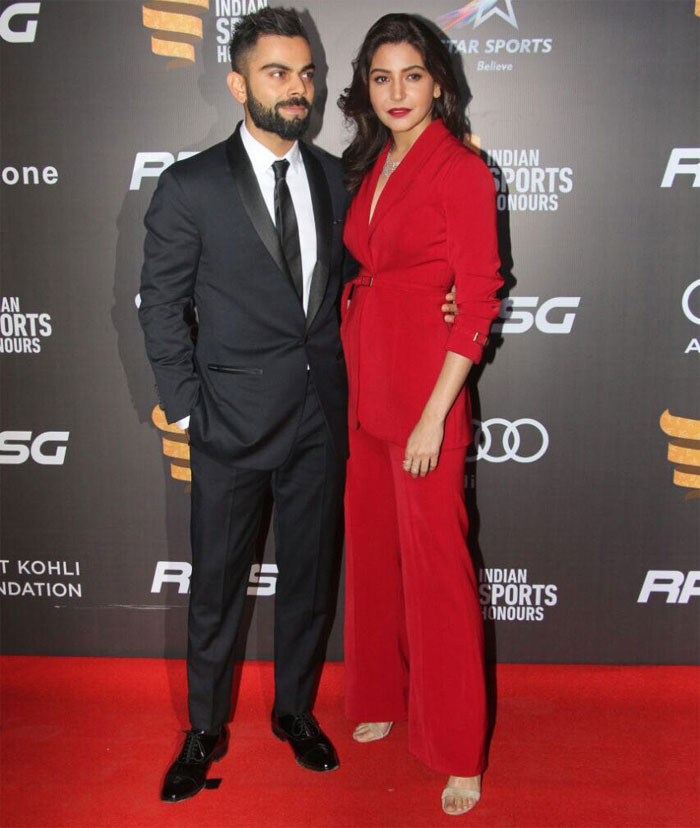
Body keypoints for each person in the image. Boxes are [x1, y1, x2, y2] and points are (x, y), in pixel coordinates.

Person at [139, 7, 354, 802]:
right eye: (276, 73)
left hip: (319, 421)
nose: (296, 89)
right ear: (237, 84)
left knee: (309, 578)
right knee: (218, 586)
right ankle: (203, 729)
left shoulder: (336, 176)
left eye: (304, 73)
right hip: (227, 424)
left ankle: (295, 711)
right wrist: (189, 411)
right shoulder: (190, 185)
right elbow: (159, 309)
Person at [338, 13, 503, 817]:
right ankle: (379, 694)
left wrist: (438, 416)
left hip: (425, 402)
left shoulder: (461, 169)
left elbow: (475, 302)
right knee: (370, 560)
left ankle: (458, 749)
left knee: (438, 576)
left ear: (438, 80)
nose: (397, 93)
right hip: (364, 393)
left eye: (411, 75)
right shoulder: (371, 162)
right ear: (366, 88)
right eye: (381, 77)